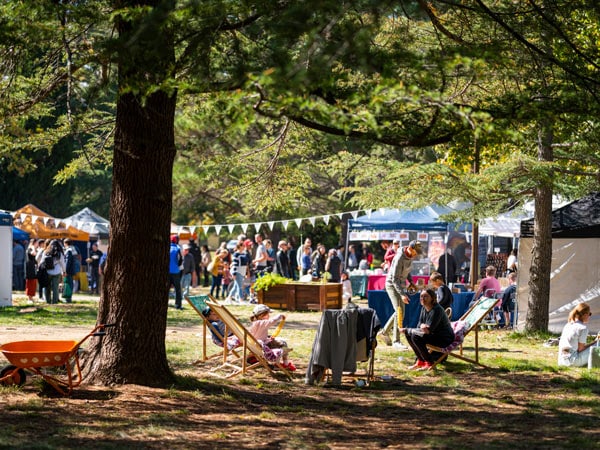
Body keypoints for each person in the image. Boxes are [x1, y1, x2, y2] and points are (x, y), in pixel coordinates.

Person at [381, 240, 423, 350]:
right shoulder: (400, 257)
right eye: (416, 252)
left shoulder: (409, 256)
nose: (416, 255)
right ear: (411, 248)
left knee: (399, 312)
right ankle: (396, 341)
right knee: (400, 310)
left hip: (400, 284)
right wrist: (402, 295)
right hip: (392, 284)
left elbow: (407, 271)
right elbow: (394, 279)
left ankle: (384, 332)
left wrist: (412, 282)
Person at [400, 288, 455, 370]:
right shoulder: (424, 308)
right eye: (421, 296)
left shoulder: (437, 310)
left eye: (425, 296)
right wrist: (409, 331)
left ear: (432, 298)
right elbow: (420, 327)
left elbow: (428, 330)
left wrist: (409, 330)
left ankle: (429, 362)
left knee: (415, 336)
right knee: (409, 334)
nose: (422, 298)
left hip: (444, 339)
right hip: (434, 335)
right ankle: (421, 361)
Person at [248, 304, 296, 371]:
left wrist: (268, 339)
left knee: (277, 341)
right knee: (282, 343)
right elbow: (272, 321)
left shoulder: (255, 323)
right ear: (261, 315)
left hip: (256, 345)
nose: (269, 316)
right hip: (261, 347)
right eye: (268, 314)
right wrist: (280, 315)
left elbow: (258, 336)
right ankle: (284, 363)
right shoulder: (260, 323)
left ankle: (279, 363)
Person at [558, 302, 598, 367]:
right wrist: (595, 342)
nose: (589, 316)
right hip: (573, 361)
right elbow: (581, 349)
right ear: (585, 314)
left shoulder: (568, 325)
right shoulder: (583, 328)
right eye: (589, 314)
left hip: (562, 361)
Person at [42, 239, 66, 304]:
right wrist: (64, 271)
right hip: (57, 272)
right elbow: (63, 263)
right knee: (55, 288)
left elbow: (42, 262)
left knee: (47, 287)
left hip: (48, 272)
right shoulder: (59, 253)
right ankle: (55, 301)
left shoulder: (46, 252)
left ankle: (48, 301)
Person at [169, 235, 184, 310]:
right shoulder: (178, 248)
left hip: (167, 271)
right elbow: (181, 260)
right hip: (175, 271)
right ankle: (178, 305)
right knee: (178, 289)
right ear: (177, 240)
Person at [63, 238, 79, 303]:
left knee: (68, 284)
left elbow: (67, 261)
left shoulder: (68, 251)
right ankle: (69, 298)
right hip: (72, 269)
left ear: (66, 243)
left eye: (64, 243)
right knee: (70, 283)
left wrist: (65, 271)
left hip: (68, 270)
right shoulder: (73, 249)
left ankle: (68, 298)